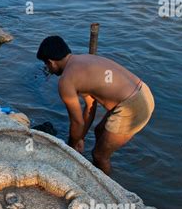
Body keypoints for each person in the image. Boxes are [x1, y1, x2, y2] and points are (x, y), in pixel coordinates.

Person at [36, 36, 155, 175]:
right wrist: (81, 138)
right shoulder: (83, 60)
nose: (48, 69)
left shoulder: (66, 81)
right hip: (143, 92)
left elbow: (77, 122)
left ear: (51, 62)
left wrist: (71, 146)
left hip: (132, 107)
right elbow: (90, 108)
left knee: (99, 156)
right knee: (99, 130)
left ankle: (106, 191)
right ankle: (98, 168)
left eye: (46, 65)